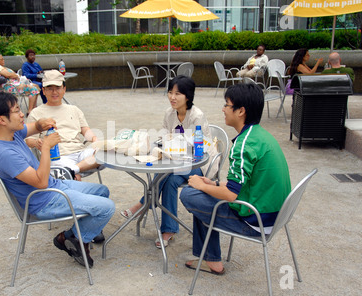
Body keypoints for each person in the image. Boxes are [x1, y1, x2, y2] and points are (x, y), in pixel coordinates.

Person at [0, 91, 115, 268]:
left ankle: (82, 234)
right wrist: (45, 147)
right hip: (44, 201)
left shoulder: (10, 134)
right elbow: (41, 182)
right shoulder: (4, 154)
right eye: (16, 111)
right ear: (2, 120)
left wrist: (40, 124)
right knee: (107, 208)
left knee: (102, 191)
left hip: (55, 186)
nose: (22, 114)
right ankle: (71, 238)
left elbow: (34, 127)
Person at [179, 83, 291, 275]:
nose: (223, 109)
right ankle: (210, 257)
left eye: (227, 105)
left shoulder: (243, 145)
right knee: (202, 192)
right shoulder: (260, 135)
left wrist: (202, 186)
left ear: (241, 111)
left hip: (255, 221)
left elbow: (231, 195)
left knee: (191, 194)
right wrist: (213, 183)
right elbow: (245, 184)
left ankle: (212, 260)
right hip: (275, 215)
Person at [121, 75, 212, 249]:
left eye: (177, 94)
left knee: (165, 173)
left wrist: (174, 143)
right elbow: (164, 135)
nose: (172, 97)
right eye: (170, 92)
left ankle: (143, 203)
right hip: (174, 163)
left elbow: (198, 147)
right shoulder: (169, 113)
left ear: (188, 96)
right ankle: (169, 229)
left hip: (196, 164)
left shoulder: (196, 116)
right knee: (168, 178)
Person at [25, 70, 101, 181]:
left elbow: (85, 130)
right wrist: (37, 143)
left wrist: (95, 139)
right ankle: (73, 173)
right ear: (44, 91)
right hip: (58, 156)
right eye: (50, 88)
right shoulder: (36, 113)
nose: (54, 92)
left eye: (57, 88)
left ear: (64, 89)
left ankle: (73, 170)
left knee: (106, 153)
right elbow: (29, 140)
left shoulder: (74, 109)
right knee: (72, 176)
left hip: (80, 152)